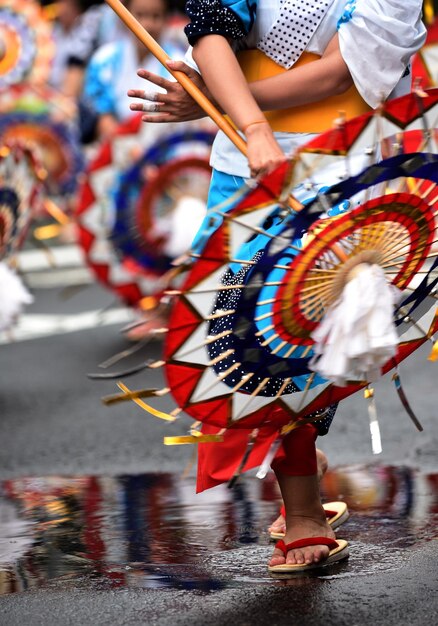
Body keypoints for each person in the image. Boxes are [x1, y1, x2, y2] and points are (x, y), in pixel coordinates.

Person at [128, 0, 426, 572]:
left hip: (345, 164)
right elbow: (212, 28)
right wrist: (252, 125)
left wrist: (214, 99)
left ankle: (302, 485)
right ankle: (302, 502)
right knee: (258, 336)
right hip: (246, 162)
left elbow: (346, 72)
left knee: (314, 337)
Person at [83, 0, 186, 139]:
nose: (147, 25)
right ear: (124, 16)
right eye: (139, 15)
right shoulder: (104, 60)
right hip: (114, 144)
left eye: (156, 16)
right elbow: (102, 116)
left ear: (166, 18)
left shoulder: (178, 65)